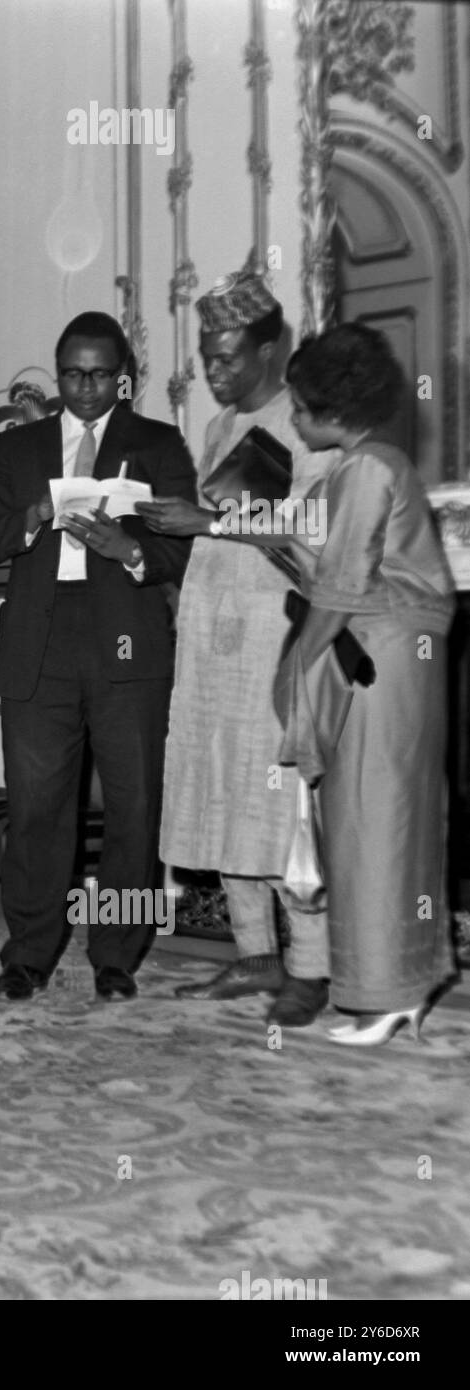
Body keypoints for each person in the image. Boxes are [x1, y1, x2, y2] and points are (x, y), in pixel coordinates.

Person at [0, 311, 196, 1002]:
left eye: (99, 375)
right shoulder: (18, 447)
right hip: (40, 641)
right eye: (71, 373)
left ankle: (116, 955)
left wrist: (124, 549)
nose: (84, 388)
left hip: (127, 641)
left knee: (133, 807)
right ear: (57, 372)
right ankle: (27, 955)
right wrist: (32, 515)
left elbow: (182, 546)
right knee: (36, 809)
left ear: (122, 378)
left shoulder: (156, 441)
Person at [136, 269, 335, 1027]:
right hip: (212, 636)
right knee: (221, 791)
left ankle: (310, 967)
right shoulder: (219, 430)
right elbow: (208, 526)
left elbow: (311, 537)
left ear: (269, 348)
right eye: (204, 357)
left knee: (281, 806)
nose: (212, 373)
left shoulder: (307, 422)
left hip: (274, 636)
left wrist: (206, 523)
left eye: (226, 358)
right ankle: (253, 955)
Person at [276, 322, 456, 1046]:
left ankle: (383, 999)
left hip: (373, 663)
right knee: (398, 819)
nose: (290, 419)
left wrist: (297, 664)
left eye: (296, 405)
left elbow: (342, 587)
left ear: (328, 408)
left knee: (368, 822)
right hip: (399, 663)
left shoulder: (361, 471)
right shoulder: (383, 461)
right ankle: (402, 987)